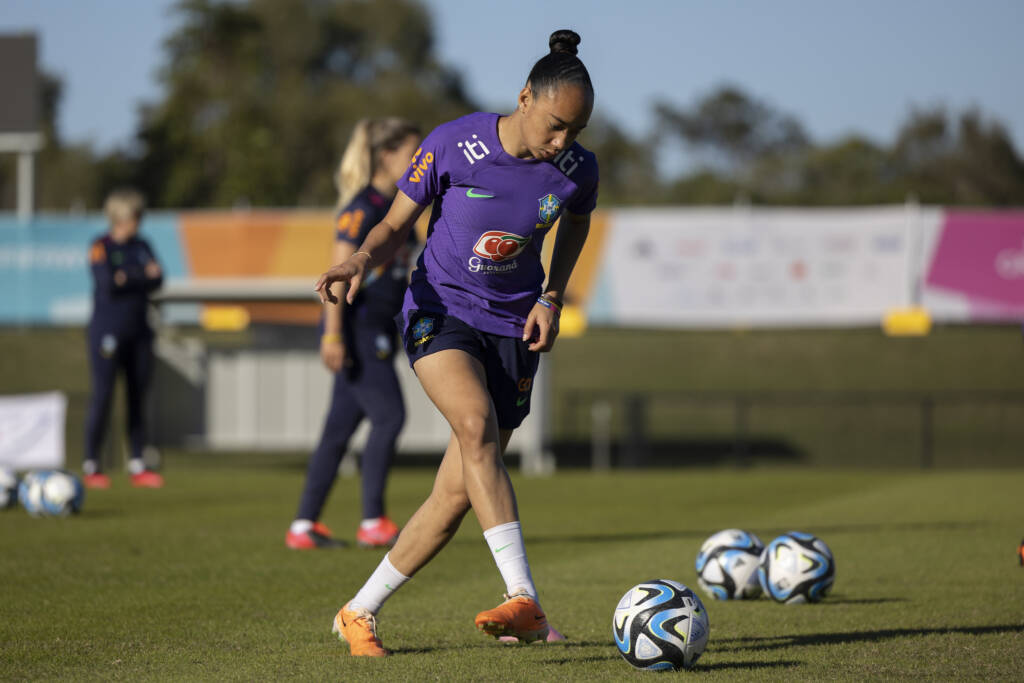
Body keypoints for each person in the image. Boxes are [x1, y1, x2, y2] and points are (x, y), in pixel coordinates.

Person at [314, 29, 598, 656]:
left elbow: (577, 224)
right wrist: (360, 259)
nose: (562, 142)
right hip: (438, 310)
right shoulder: (453, 143)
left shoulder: (578, 169)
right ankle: (525, 599)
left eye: (575, 132)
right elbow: (394, 223)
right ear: (525, 98)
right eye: (555, 126)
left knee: (454, 494)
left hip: (513, 329)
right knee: (474, 426)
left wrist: (552, 296)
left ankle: (357, 612)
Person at [286, 118, 422, 550]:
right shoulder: (362, 208)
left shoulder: (400, 207)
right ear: (387, 155)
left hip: (377, 329)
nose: (419, 162)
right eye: (413, 154)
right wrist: (332, 336)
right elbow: (336, 276)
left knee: (338, 431)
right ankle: (372, 521)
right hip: (357, 330)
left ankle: (303, 526)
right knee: (390, 416)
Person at [83, 188, 164, 489]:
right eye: (134, 217)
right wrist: (140, 275)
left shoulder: (143, 245)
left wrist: (127, 276)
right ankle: (92, 463)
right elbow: (108, 283)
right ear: (119, 218)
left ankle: (138, 462)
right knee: (103, 395)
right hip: (107, 333)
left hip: (139, 333)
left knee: (137, 397)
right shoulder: (100, 246)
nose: (138, 223)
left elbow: (159, 278)